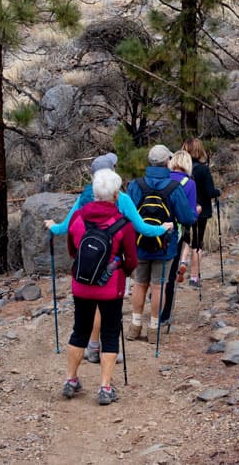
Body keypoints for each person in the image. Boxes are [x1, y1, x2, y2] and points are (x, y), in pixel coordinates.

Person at [45, 153, 171, 363]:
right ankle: (106, 354)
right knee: (108, 310)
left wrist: (52, 226)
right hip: (112, 267)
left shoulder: (85, 196)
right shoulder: (121, 199)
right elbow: (141, 228)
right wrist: (162, 229)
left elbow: (65, 227)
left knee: (91, 308)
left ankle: (93, 347)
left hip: (85, 266)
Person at [62, 169, 137, 405]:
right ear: (116, 194)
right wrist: (121, 267)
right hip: (110, 287)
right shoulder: (123, 224)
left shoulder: (78, 218)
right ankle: (105, 387)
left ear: (94, 193)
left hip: (81, 285)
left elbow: (73, 251)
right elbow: (132, 260)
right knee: (110, 333)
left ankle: (71, 380)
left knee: (80, 330)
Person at [125, 144, 198, 345]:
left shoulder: (136, 185)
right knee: (159, 287)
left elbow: (127, 215)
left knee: (139, 284)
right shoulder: (173, 188)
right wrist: (195, 214)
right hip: (165, 246)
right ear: (167, 162)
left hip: (140, 243)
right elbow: (186, 218)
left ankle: (135, 326)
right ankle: (154, 328)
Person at [160, 150, 199, 326]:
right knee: (170, 273)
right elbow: (189, 215)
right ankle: (165, 313)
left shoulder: (163, 179)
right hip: (176, 231)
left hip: (156, 228)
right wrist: (197, 212)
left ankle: (153, 302)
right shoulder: (189, 184)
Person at [178, 137, 221, 287]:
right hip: (201, 210)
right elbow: (210, 191)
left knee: (184, 238)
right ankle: (194, 277)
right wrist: (217, 192)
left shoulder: (180, 170)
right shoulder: (203, 169)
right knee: (198, 243)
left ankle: (182, 261)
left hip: (183, 210)